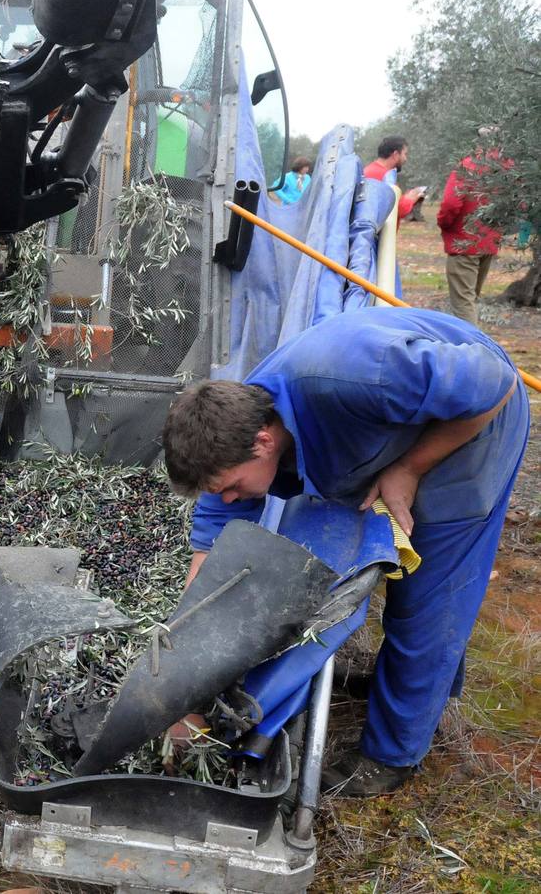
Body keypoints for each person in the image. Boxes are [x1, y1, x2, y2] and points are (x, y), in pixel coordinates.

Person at [161, 307, 528, 796]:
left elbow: (494, 382)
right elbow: (209, 568)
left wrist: (412, 467)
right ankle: (408, 685)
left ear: (264, 441)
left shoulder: (357, 379)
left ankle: (391, 755)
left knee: (426, 601)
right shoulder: (227, 436)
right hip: (387, 430)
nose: (228, 500)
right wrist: (183, 690)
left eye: (231, 488)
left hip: (471, 425)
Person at [438, 152, 505, 326]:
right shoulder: (506, 168)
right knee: (471, 298)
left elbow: (450, 203)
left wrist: (444, 224)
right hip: (489, 243)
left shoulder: (467, 167)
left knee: (463, 303)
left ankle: (472, 347)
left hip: (464, 242)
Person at [363, 135, 425, 222]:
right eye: (405, 154)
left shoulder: (372, 170)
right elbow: (397, 209)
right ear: (396, 154)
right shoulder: (384, 176)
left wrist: (405, 197)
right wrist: (410, 199)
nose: (405, 159)